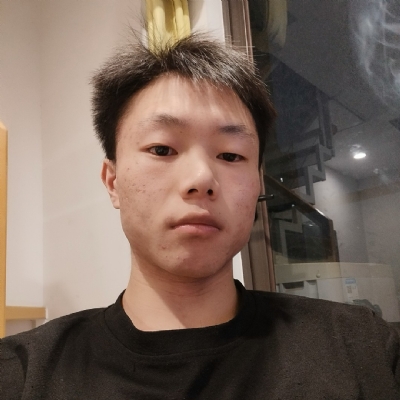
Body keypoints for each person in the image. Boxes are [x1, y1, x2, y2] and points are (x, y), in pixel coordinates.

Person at [1, 33, 399, 400]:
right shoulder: (22, 373)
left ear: (257, 184)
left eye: (230, 155)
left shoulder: (364, 350)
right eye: (162, 149)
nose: (201, 179)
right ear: (112, 181)